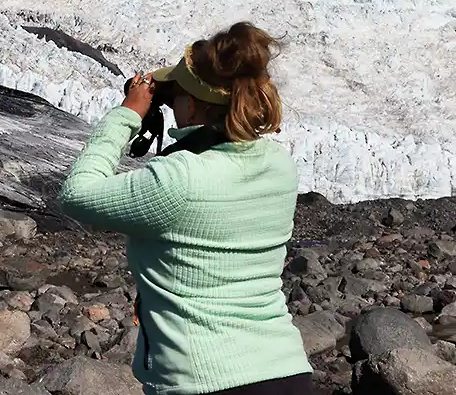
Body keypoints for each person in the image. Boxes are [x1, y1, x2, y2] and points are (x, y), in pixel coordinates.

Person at [59, 22, 317, 395]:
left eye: (177, 95)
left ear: (192, 104)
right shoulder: (280, 166)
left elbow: (76, 194)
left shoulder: (179, 180)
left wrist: (128, 113)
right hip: (287, 372)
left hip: (203, 380)